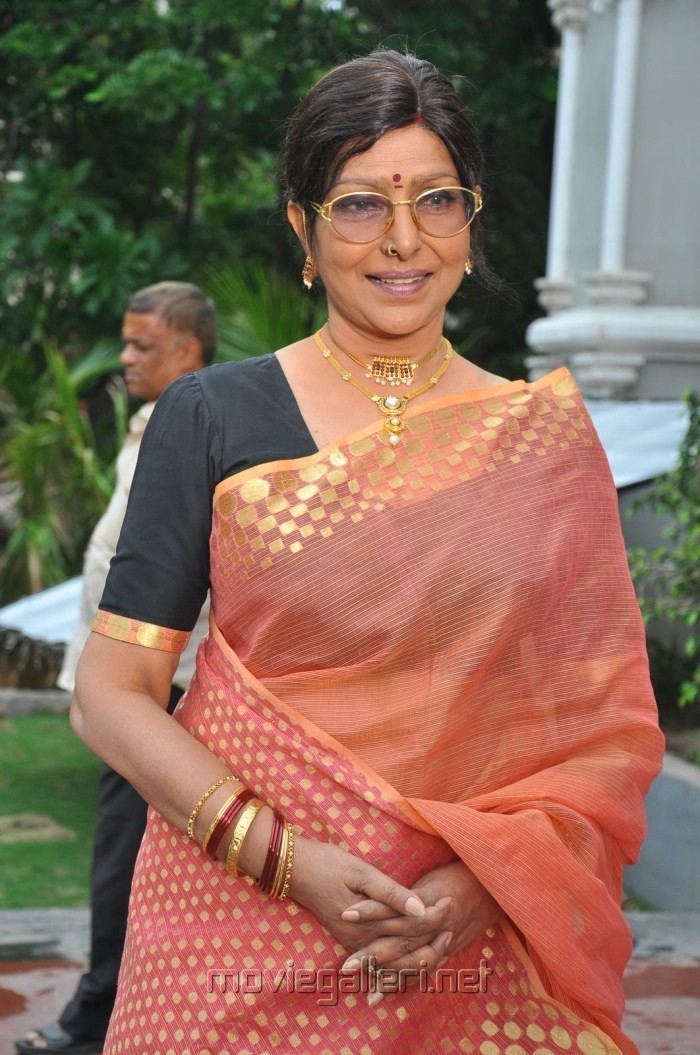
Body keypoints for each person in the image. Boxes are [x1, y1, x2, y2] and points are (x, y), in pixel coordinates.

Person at [71, 51, 663, 1055]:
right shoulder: (212, 414)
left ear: (471, 222)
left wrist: (485, 882)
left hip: (463, 939)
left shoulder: (539, 443)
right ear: (302, 227)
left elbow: (598, 737)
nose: (402, 239)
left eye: (436, 200)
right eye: (357, 205)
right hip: (232, 928)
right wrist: (289, 860)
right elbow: (111, 690)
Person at [17, 282, 216, 1055]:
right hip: (129, 682)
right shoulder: (155, 422)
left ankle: (97, 1016)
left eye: (140, 345)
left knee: (126, 855)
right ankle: (127, 1008)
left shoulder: (200, 422)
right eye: (127, 343)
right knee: (135, 855)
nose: (125, 358)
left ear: (187, 348)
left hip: (161, 687)